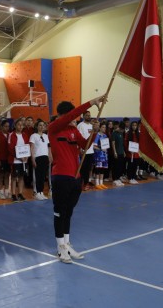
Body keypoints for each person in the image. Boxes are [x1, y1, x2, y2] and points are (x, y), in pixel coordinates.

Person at [47, 94, 106, 263]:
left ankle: (67, 243)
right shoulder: (54, 128)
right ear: (64, 115)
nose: (75, 118)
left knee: (68, 212)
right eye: (72, 115)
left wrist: (94, 132)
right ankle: (60, 248)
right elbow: (71, 116)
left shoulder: (74, 131)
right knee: (59, 212)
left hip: (75, 177)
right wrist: (91, 102)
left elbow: (85, 145)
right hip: (60, 177)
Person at [8, 118, 29, 202]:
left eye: (22, 125)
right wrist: (18, 157)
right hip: (15, 160)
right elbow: (10, 148)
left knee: (21, 177)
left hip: (24, 160)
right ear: (15, 125)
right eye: (18, 125)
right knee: (14, 177)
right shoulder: (11, 135)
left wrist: (26, 156)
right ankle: (13, 194)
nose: (20, 126)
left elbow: (27, 146)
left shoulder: (24, 135)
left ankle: (20, 194)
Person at [30, 120, 51, 200]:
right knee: (37, 176)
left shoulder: (46, 136)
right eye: (40, 125)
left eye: (43, 125)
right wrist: (33, 159)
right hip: (37, 157)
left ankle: (41, 192)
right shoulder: (33, 136)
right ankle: (37, 192)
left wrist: (49, 156)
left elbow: (48, 147)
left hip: (45, 157)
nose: (42, 127)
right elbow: (31, 148)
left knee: (43, 176)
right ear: (37, 126)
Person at [77, 111, 95, 190]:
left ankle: (86, 183)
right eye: (87, 115)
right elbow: (79, 138)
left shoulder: (92, 126)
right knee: (82, 168)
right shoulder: (80, 125)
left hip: (91, 150)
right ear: (83, 116)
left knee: (88, 168)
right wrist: (80, 148)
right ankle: (81, 184)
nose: (88, 116)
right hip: (84, 151)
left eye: (89, 115)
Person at [0, 119, 10, 199]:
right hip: (1, 158)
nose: (7, 128)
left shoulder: (10, 135)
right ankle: (1, 192)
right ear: (1, 127)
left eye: (8, 126)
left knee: (7, 175)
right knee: (0, 175)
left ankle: (7, 191)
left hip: (8, 159)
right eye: (5, 126)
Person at [92, 123, 109, 188]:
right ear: (100, 128)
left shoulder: (105, 136)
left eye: (105, 127)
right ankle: (97, 183)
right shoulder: (97, 135)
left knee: (102, 169)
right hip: (98, 155)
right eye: (103, 127)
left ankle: (101, 183)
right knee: (98, 169)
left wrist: (106, 148)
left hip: (104, 155)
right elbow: (94, 146)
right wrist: (101, 148)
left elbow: (106, 145)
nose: (104, 128)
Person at [111, 121, 126, 186]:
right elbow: (113, 143)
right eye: (122, 130)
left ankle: (118, 178)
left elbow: (122, 144)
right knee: (116, 166)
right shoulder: (114, 133)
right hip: (116, 152)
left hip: (121, 152)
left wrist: (124, 151)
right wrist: (115, 152)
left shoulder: (121, 134)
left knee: (120, 166)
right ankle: (115, 179)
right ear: (119, 128)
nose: (122, 131)